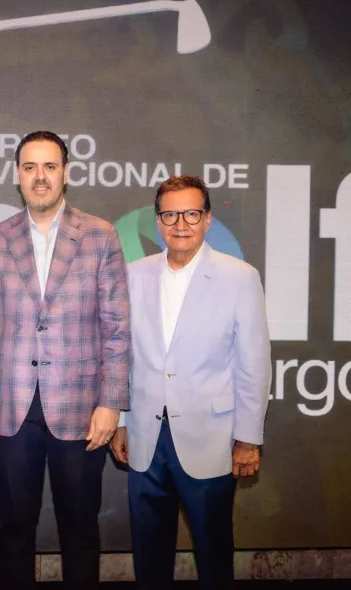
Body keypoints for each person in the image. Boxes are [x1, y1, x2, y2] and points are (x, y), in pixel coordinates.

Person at [0, 131, 131, 590]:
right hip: (9, 410)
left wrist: (111, 403)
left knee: (80, 528)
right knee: (14, 528)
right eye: (31, 167)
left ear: (65, 174)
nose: (41, 177)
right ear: (17, 176)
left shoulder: (100, 235)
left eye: (50, 167)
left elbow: (117, 328)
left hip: (81, 409)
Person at [110, 175, 272, 589]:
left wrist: (248, 438)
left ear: (207, 219)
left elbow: (253, 362)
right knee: (149, 554)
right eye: (169, 214)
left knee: (213, 552)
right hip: (146, 437)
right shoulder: (133, 275)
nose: (180, 223)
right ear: (158, 220)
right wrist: (123, 422)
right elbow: (123, 356)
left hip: (210, 436)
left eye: (191, 213)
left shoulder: (240, 277)